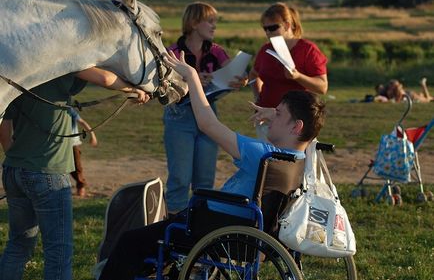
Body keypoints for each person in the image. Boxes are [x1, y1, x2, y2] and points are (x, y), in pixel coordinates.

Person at [97, 50, 326, 280]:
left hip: (215, 224)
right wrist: (274, 113)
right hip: (252, 232)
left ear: (296, 127)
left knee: (130, 242)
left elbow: (208, 124)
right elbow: (305, 132)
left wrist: (191, 76)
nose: (272, 118)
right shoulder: (302, 158)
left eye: (278, 114)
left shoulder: (263, 155)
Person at [0, 68, 149, 280]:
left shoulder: (23, 73)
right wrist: (134, 88)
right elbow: (105, 77)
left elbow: (4, 128)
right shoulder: (61, 67)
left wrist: (19, 158)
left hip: (14, 170)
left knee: (18, 245)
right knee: (58, 252)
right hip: (49, 173)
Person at [163, 2, 247, 215]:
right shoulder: (172, 52)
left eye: (215, 22)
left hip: (209, 115)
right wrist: (190, 79)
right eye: (209, 21)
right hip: (179, 115)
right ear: (193, 23)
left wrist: (241, 80)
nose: (214, 26)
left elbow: (232, 74)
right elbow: (161, 83)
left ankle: (200, 225)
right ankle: (174, 223)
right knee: (180, 177)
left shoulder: (217, 52)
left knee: (205, 179)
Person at [248, 2, 328, 140]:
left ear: (287, 25)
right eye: (265, 29)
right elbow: (254, 75)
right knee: (269, 160)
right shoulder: (266, 49)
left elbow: (322, 87)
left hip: (297, 119)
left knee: (296, 160)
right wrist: (258, 96)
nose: (268, 33)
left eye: (272, 28)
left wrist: (297, 76)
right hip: (268, 118)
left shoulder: (308, 49)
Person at [68, 108, 98, 197]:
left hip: (73, 143)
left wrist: (92, 135)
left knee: (77, 167)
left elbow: (82, 122)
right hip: (60, 144)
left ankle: (81, 186)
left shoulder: (69, 110)